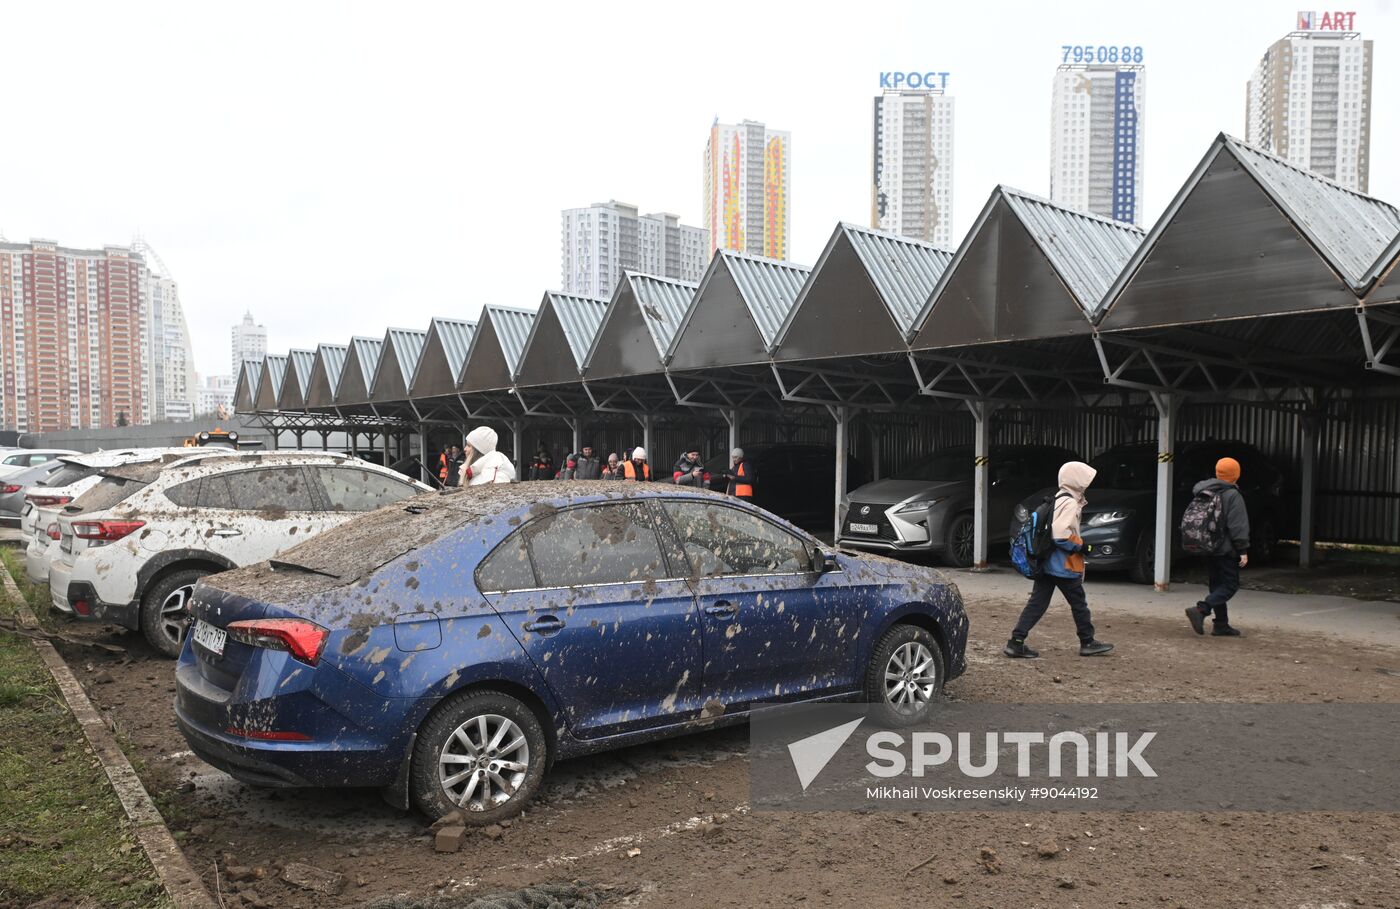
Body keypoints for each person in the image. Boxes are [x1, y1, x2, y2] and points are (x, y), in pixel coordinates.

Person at [1004, 461, 1114, 659]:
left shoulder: (1057, 497)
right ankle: (1087, 642)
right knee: (1079, 603)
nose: (1087, 483)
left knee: (1037, 604)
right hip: (1063, 564)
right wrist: (1081, 546)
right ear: (1076, 480)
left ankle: (1016, 642)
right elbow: (1061, 534)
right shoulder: (1071, 502)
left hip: (1045, 562)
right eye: (1084, 479)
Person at [1185, 457, 1250, 637]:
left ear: (1217, 472)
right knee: (1230, 584)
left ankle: (1221, 624)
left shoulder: (1205, 490)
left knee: (1216, 584)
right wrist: (1243, 549)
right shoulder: (1232, 495)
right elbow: (1238, 525)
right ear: (1236, 475)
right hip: (1225, 547)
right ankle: (1201, 610)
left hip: (1207, 544)